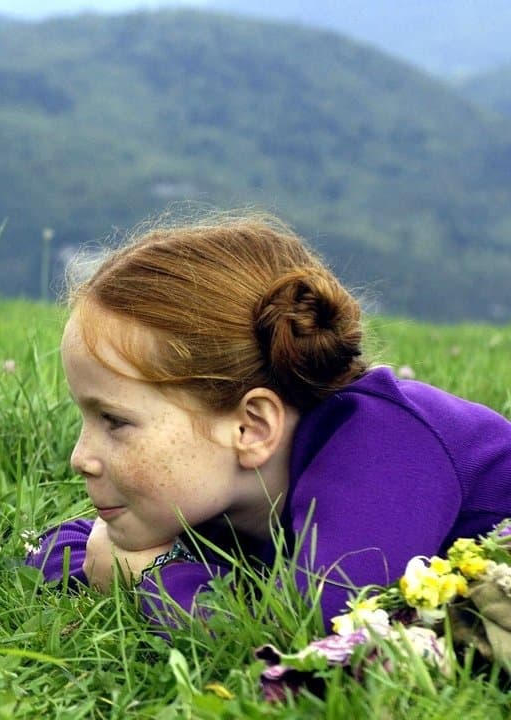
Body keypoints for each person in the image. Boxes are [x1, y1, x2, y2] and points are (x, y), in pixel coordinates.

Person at [25, 211, 511, 630]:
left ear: (251, 428)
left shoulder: (384, 448)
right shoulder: (223, 490)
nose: (80, 458)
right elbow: (62, 548)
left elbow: (310, 627)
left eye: (114, 421)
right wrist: (121, 560)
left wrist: (152, 578)